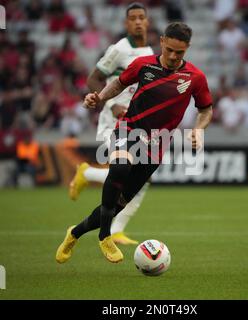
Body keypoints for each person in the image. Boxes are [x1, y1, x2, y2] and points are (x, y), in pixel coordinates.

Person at [56, 22, 213, 264]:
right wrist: (99, 98)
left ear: (187, 48)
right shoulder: (143, 64)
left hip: (157, 145)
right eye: (169, 49)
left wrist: (199, 130)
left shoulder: (195, 77)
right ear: (162, 41)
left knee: (118, 204)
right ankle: (105, 235)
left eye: (179, 52)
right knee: (119, 167)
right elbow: (118, 84)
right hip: (129, 129)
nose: (172, 56)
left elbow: (205, 110)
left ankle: (74, 233)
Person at [68, 2, 153, 245]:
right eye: (133, 18)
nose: (137, 21)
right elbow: (93, 79)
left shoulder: (149, 51)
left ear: (147, 22)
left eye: (141, 18)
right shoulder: (119, 49)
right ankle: (88, 174)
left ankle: (116, 230)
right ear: (127, 23)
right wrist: (111, 104)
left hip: (135, 121)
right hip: (113, 120)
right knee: (123, 169)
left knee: (142, 176)